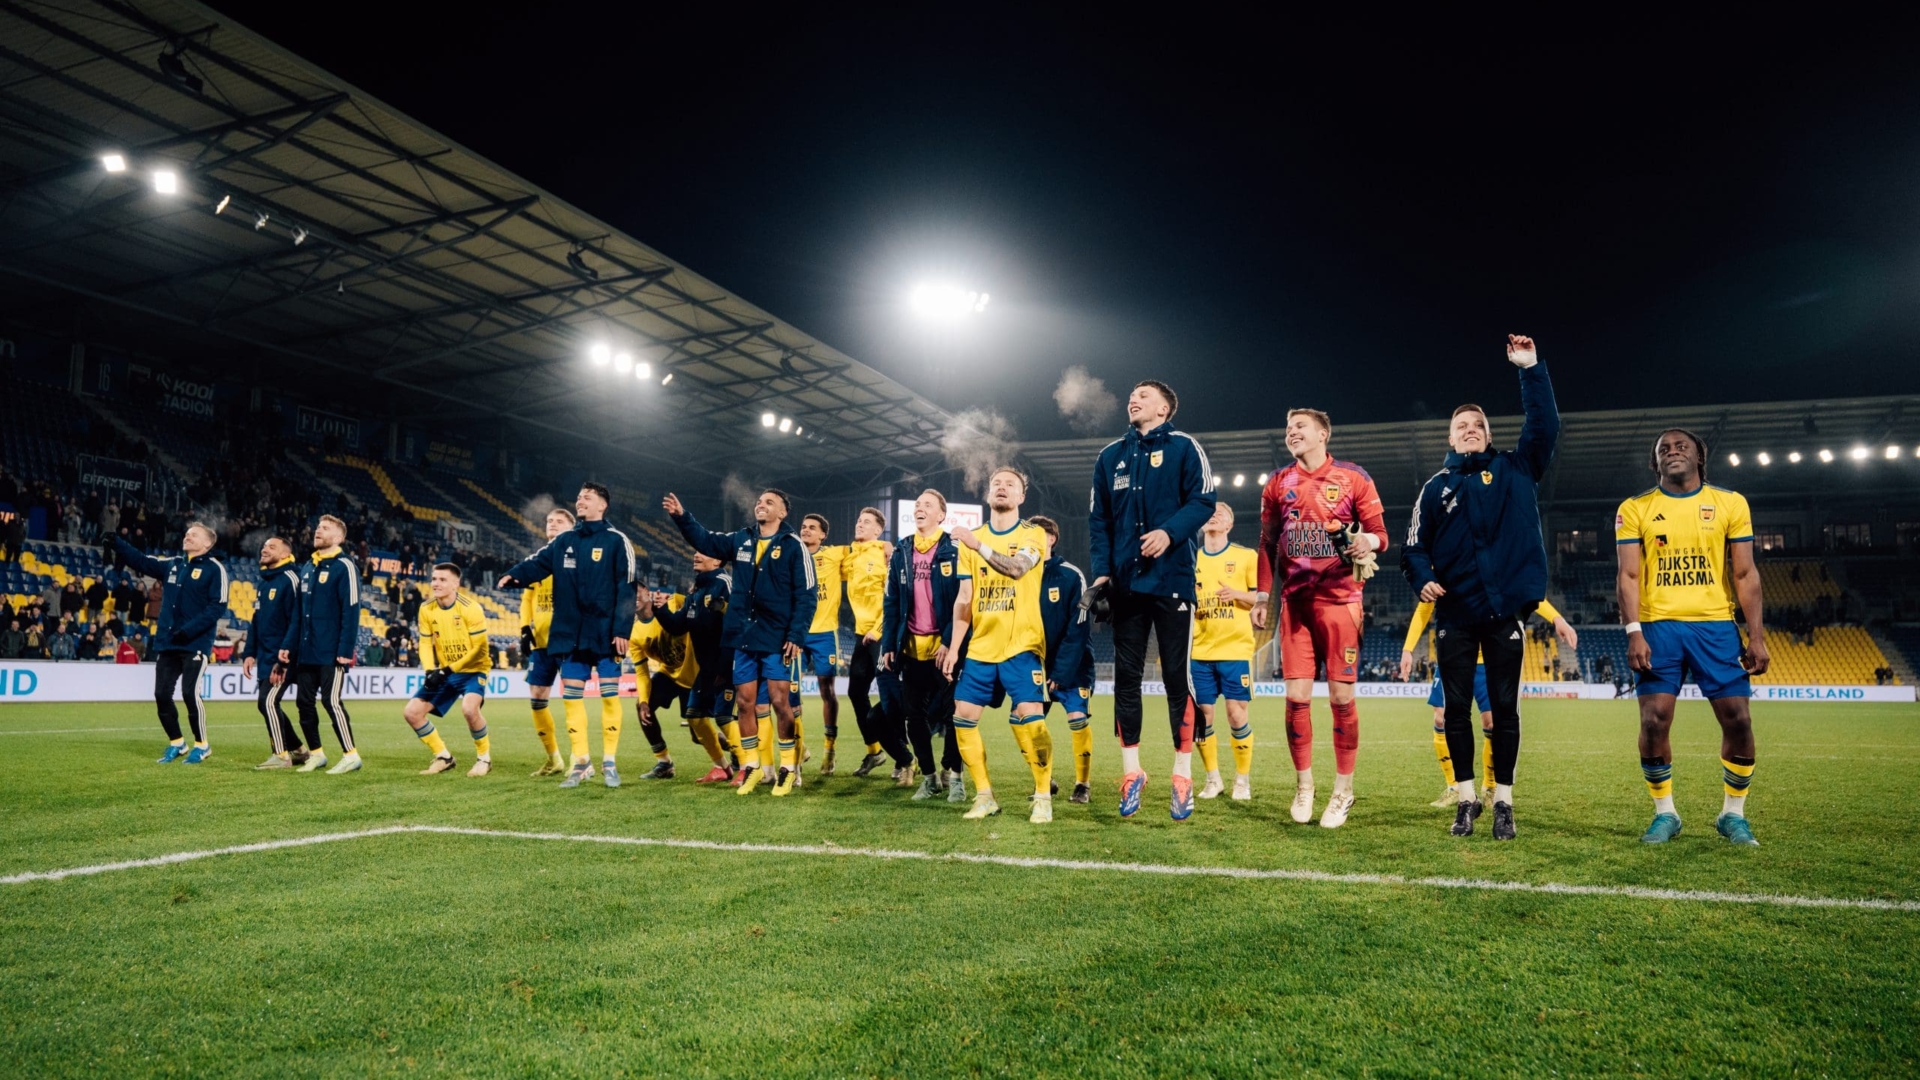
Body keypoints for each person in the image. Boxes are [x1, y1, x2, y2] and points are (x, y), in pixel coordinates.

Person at [1401, 334, 1559, 840]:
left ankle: (1504, 802)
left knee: (1506, 710)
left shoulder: (1517, 467)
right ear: (1450, 439)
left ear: (1489, 435)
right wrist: (1424, 579)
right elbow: (1412, 548)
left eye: (1477, 426)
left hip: (1505, 613)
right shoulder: (1434, 488)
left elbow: (1544, 426)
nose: (1469, 431)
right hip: (1455, 616)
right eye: (1461, 427)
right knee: (1455, 711)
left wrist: (1529, 368)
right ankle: (1467, 799)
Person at [1617, 429, 1769, 846]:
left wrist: (1756, 636)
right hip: (1657, 628)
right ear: (1655, 463)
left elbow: (1745, 573)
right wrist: (1634, 632)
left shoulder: (1729, 503)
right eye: (1662, 448)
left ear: (1700, 456)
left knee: (1739, 719)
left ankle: (1732, 815)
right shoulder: (1635, 508)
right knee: (1653, 721)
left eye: (1681, 445)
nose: (1672, 451)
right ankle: (1665, 813)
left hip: (1716, 626)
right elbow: (1628, 576)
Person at [1087, 379, 1218, 819]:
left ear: (1163, 407)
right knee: (1126, 679)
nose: (1133, 399)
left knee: (1177, 681)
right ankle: (1132, 772)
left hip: (1173, 581)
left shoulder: (1185, 446)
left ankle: (1183, 775)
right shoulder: (1110, 457)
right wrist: (1102, 574)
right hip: (1125, 587)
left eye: (1143, 396)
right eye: (1131, 395)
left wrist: (1169, 532)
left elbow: (1204, 501)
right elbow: (1099, 521)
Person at [1257, 407, 1388, 828]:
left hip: (1340, 601)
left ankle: (1343, 791)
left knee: (1340, 700)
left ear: (1323, 434)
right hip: (1295, 604)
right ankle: (1304, 785)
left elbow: (1381, 536)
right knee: (1295, 698)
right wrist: (1262, 596)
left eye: (1300, 427)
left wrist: (1364, 541)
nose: (1291, 432)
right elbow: (1266, 543)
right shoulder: (1278, 483)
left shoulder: (1353, 478)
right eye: (1288, 427)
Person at [664, 487, 815, 796]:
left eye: (769, 502)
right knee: (745, 703)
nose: (761, 504)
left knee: (779, 701)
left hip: (776, 637)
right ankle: (751, 767)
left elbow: (806, 595)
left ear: (782, 512)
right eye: (759, 501)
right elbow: (706, 541)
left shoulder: (793, 546)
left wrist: (796, 635)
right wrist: (682, 518)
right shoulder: (741, 539)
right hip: (743, 636)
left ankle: (787, 767)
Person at [499, 484, 636, 789]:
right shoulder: (565, 541)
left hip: (605, 634)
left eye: (587, 497)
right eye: (577, 497)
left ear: (603, 504)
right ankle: (582, 762)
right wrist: (515, 575)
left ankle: (610, 762)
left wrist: (621, 630)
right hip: (570, 634)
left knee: (609, 696)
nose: (580, 500)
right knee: (572, 699)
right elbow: (538, 562)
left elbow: (627, 587)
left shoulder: (617, 541)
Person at [943, 467, 1054, 822]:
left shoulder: (1032, 534)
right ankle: (985, 795)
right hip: (981, 648)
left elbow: (1018, 569)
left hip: (1021, 644)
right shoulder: (971, 540)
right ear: (988, 495)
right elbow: (964, 597)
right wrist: (955, 647)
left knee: (1031, 720)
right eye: (995, 484)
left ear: (1022, 496)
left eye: (1010, 484)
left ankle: (1042, 796)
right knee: (963, 717)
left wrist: (979, 546)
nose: (1001, 488)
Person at [1401, 597, 1577, 807]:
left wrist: (1557, 618)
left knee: (1492, 724)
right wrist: (1407, 649)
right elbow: (1424, 607)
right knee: (1441, 719)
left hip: (1488, 660)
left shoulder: (1494, 567)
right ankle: (1454, 786)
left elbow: (1527, 591)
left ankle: (1490, 786)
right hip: (1454, 655)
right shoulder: (1444, 567)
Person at [109, 525, 230, 763]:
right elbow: (142, 561)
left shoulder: (215, 569)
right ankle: (177, 742)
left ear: (207, 544)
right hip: (168, 642)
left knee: (189, 693)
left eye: (194, 534)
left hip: (195, 643)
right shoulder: (174, 564)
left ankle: (202, 745)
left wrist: (189, 631)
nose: (187, 535)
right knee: (161, 694)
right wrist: (117, 543)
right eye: (186, 533)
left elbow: (218, 606)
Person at [881, 489, 969, 802]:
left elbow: (964, 600)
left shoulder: (954, 549)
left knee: (954, 715)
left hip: (946, 650)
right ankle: (930, 777)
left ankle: (955, 776)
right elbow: (891, 601)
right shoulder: (903, 550)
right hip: (911, 649)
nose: (920, 508)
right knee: (913, 717)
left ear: (941, 515)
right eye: (917, 505)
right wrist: (889, 644)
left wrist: (948, 641)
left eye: (927, 505)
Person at [279, 514, 365, 775]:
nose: (318, 531)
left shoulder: (345, 566)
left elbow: (351, 610)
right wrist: (288, 644)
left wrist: (344, 649)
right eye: (318, 527)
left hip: (331, 652)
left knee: (331, 701)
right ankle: (316, 754)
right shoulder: (308, 567)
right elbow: (297, 612)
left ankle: (351, 755)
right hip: (306, 651)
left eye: (325, 528)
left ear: (339, 538)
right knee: (304, 702)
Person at [1193, 503, 1264, 803]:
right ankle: (1213, 779)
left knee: (1236, 715)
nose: (1215, 513)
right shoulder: (1190, 558)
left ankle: (1242, 780)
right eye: (1211, 510)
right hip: (1199, 650)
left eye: (1222, 512)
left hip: (1235, 648)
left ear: (1230, 525)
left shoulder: (1246, 556)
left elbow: (1260, 598)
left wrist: (1236, 595)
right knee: (1202, 718)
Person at [651, 556, 743, 783]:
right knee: (695, 716)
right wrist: (660, 609)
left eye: (703, 552)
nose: (696, 555)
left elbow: (738, 623)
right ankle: (722, 767)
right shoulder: (696, 592)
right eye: (695, 552)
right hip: (707, 668)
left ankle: (747, 766)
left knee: (723, 716)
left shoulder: (724, 583)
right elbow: (677, 625)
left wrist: (726, 664)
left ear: (718, 561)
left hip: (728, 664)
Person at [1028, 515, 1096, 804]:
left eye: (1038, 534)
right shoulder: (1021, 574)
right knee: (1026, 721)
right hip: (1033, 664)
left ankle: (1083, 784)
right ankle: (1045, 779)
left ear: (1052, 539)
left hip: (1073, 665)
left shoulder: (1070, 575)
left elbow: (1078, 628)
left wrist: (1061, 671)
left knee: (1077, 719)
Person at [405, 563, 496, 777]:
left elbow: (480, 649)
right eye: (434, 579)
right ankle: (444, 757)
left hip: (474, 669)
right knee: (412, 712)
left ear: (456, 584)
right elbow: (425, 643)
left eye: (442, 579)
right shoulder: (426, 608)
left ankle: (484, 759)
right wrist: (429, 671)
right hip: (446, 671)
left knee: (469, 709)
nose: (436, 583)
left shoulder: (470, 608)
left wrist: (446, 670)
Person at [842, 507, 903, 778]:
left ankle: (902, 758)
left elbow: (895, 594)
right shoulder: (849, 555)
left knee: (890, 696)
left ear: (879, 530)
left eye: (866, 522)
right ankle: (874, 751)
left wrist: (879, 629)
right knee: (856, 693)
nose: (860, 524)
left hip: (882, 633)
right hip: (860, 634)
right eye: (858, 520)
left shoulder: (887, 553)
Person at [518, 507, 577, 777]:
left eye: (558, 521)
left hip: (568, 639)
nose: (551, 524)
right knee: (537, 697)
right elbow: (527, 598)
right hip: (541, 642)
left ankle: (579, 758)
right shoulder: (538, 560)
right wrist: (523, 627)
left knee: (572, 696)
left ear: (571, 527)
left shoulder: (576, 555)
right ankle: (554, 758)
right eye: (548, 521)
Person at [627, 581, 706, 780]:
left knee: (698, 736)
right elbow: (642, 673)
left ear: (647, 591)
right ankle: (664, 762)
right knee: (642, 707)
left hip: (693, 672)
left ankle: (739, 753)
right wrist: (644, 700)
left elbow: (694, 604)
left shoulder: (673, 602)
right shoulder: (634, 634)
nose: (633, 596)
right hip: (669, 674)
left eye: (637, 591)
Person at [244, 535, 305, 770]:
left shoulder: (291, 579)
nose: (264, 549)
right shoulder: (265, 582)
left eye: (272, 546)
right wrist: (250, 652)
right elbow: (257, 620)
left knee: (267, 702)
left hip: (283, 658)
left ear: (285, 554)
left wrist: (286, 655)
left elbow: (296, 621)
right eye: (264, 545)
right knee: (267, 703)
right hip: (266, 656)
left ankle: (281, 755)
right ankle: (299, 750)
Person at [797, 513, 849, 774]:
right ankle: (798, 748)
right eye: (803, 527)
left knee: (826, 691)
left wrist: (883, 545)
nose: (805, 530)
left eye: (812, 528)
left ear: (823, 535)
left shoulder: (834, 554)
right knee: (786, 693)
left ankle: (829, 750)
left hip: (825, 633)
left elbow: (863, 551)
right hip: (796, 631)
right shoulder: (792, 556)